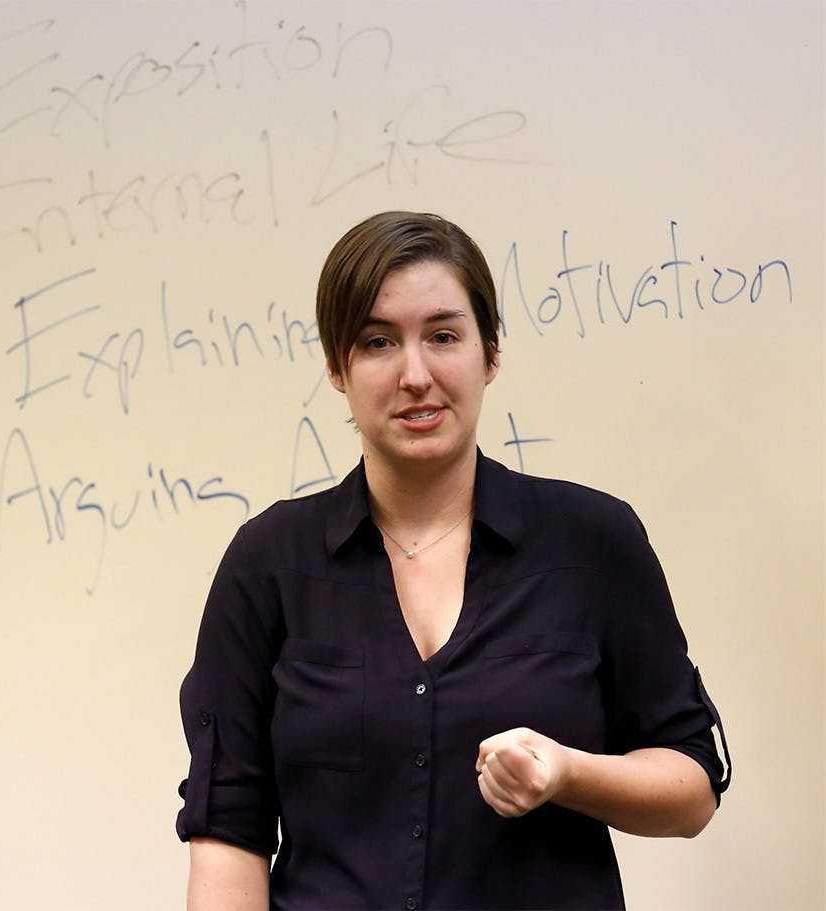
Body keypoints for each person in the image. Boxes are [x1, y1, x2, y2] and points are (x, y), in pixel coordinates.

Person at [176, 211, 730, 910]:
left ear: (490, 352)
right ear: (337, 366)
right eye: (378, 341)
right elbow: (228, 827)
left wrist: (567, 773)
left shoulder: (595, 541)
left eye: (443, 335)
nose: (415, 374)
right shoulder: (267, 564)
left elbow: (691, 790)